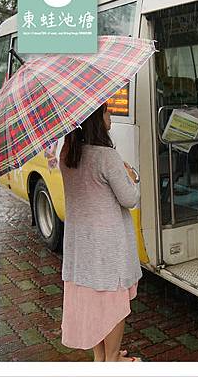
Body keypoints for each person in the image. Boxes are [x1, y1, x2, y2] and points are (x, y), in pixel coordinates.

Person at [59, 102, 142, 362]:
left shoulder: (67, 153)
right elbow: (129, 198)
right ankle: (113, 359)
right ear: (96, 119)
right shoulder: (106, 156)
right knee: (113, 304)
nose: (110, 115)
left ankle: (100, 357)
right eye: (106, 111)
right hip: (108, 245)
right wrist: (131, 176)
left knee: (91, 303)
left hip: (80, 243)